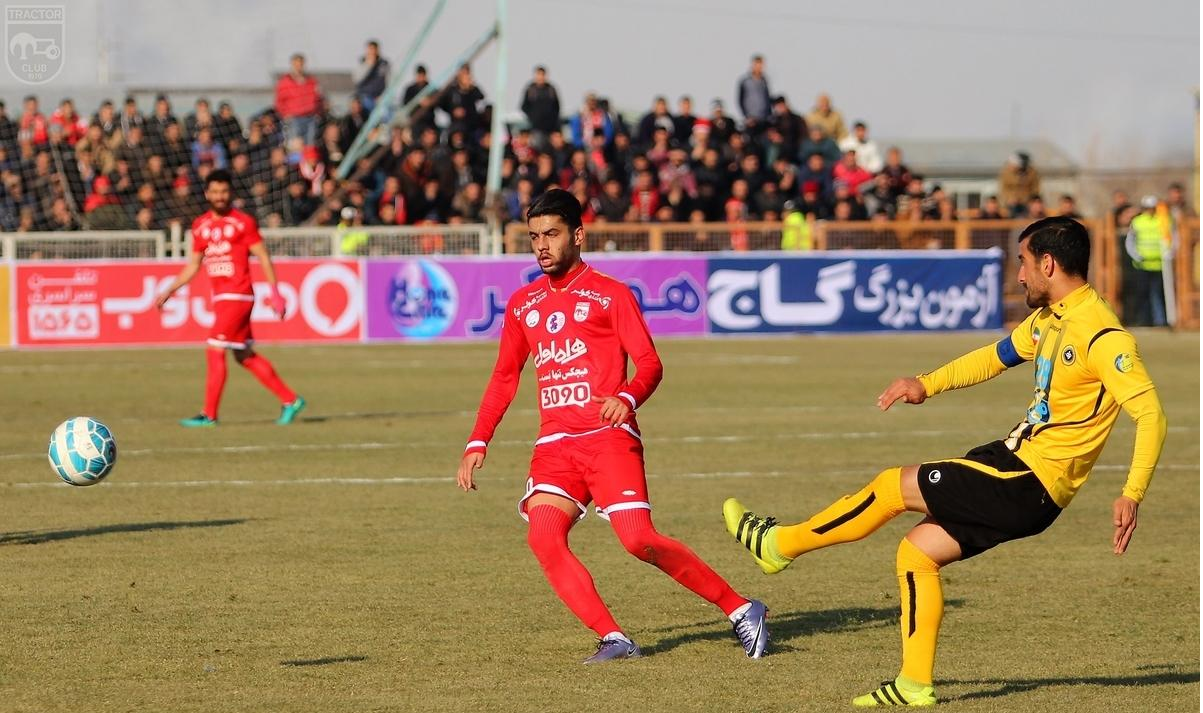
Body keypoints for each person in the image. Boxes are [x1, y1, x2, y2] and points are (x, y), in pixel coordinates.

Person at [722, 216, 1165, 707]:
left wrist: (1132, 493)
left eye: (1022, 262)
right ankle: (914, 684)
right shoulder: (1050, 319)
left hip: (1029, 481)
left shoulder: (1103, 336)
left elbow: (1151, 415)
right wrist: (925, 384)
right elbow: (992, 357)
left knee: (892, 486)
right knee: (916, 555)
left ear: (1048, 263)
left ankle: (779, 545)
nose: (1018, 275)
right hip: (1013, 463)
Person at [457, 188, 769, 664]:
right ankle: (614, 638)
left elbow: (650, 364)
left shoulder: (611, 294)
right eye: (534, 237)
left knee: (638, 539)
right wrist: (478, 440)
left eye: (552, 234)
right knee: (543, 537)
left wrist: (626, 397)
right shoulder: (522, 304)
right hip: (555, 446)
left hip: (607, 440)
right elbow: (504, 377)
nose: (542, 245)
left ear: (578, 235)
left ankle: (742, 608)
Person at [155, 169, 307, 427]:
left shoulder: (243, 222)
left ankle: (209, 414)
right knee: (243, 354)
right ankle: (290, 400)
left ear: (231, 193)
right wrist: (171, 290)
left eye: (224, 191)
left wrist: (275, 292)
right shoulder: (200, 226)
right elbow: (193, 265)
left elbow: (263, 255)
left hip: (238, 294)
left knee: (215, 349)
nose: (220, 196)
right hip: (223, 296)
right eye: (215, 191)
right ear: (207, 193)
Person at [1125, 195, 1170, 327]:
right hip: (1142, 265)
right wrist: (1136, 255)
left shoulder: (1163, 221)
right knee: (1142, 294)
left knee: (1158, 294)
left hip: (1160, 265)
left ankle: (1160, 321)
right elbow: (1130, 241)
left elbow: (1170, 238)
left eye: (1152, 208)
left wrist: (1168, 253)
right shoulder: (1137, 222)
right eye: (1147, 208)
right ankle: (1144, 321)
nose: (1150, 210)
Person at [275, 53, 322, 146]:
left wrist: (318, 113)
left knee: (310, 145)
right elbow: (279, 102)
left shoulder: (311, 81)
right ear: (292, 65)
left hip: (310, 118)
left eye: (301, 64)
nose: (299, 67)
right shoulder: (284, 82)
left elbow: (319, 98)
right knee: (295, 145)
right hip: (293, 119)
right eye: (296, 64)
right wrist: (285, 115)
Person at [520, 65, 561, 149]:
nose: (540, 77)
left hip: (550, 127)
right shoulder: (530, 89)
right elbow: (524, 106)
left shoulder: (551, 89)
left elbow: (557, 107)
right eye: (538, 75)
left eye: (542, 75)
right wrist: (533, 117)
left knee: (550, 150)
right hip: (536, 127)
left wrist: (553, 119)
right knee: (537, 148)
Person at [353, 40, 391, 113]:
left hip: (380, 97)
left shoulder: (384, 64)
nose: (372, 52)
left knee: (387, 112)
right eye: (370, 49)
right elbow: (357, 79)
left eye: (374, 49)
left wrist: (383, 96)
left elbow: (389, 81)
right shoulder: (362, 63)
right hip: (365, 96)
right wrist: (369, 64)